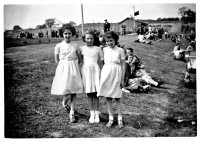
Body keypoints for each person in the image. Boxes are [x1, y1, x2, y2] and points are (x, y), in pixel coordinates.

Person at [51, 24, 83, 123]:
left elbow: (80, 59)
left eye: (69, 33)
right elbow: (57, 60)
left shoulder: (76, 45)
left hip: (73, 68)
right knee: (66, 91)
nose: (67, 35)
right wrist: (64, 65)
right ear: (62, 34)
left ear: (72, 34)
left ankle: (72, 113)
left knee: (73, 91)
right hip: (63, 68)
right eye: (65, 33)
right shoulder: (58, 46)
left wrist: (73, 65)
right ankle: (64, 103)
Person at [98, 31, 125, 128]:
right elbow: (101, 62)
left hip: (117, 73)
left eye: (111, 40)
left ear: (115, 40)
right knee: (108, 97)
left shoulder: (120, 50)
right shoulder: (104, 49)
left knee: (117, 97)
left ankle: (120, 119)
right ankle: (111, 118)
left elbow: (123, 64)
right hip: (107, 73)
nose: (109, 43)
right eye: (107, 41)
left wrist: (122, 79)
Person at [80, 30, 104, 124]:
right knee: (89, 93)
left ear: (94, 39)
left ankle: (97, 114)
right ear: (84, 39)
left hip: (95, 70)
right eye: (87, 38)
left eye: (91, 38)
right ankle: (92, 114)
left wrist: (103, 73)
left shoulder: (97, 49)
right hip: (86, 71)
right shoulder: (81, 48)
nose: (89, 40)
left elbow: (101, 62)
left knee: (96, 94)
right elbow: (80, 59)